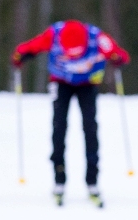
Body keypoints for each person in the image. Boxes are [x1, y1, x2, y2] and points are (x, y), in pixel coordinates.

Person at [12, 20, 130, 207]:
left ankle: (92, 181)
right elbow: (32, 46)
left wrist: (119, 58)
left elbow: (117, 52)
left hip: (88, 84)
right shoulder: (54, 34)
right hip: (61, 82)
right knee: (59, 128)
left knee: (90, 128)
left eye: (77, 52)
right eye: (69, 53)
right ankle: (59, 179)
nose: (72, 56)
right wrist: (22, 55)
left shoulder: (97, 37)